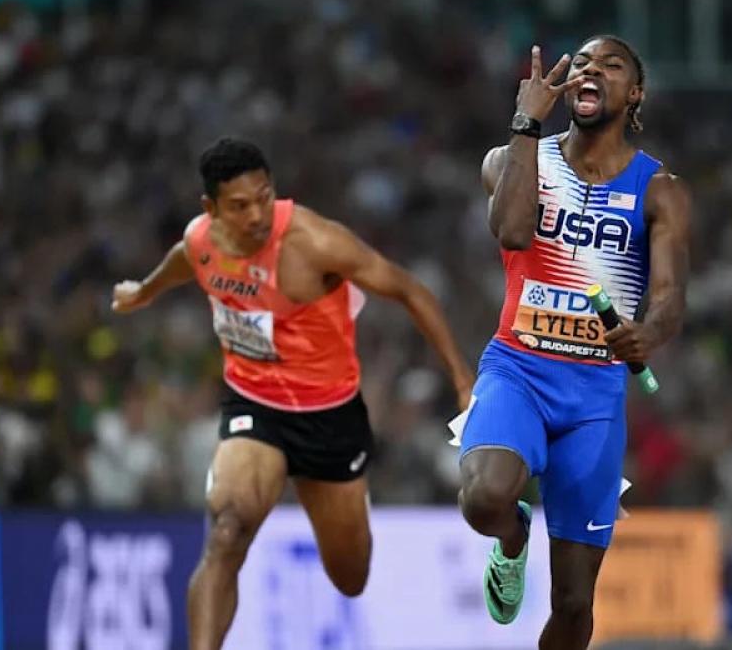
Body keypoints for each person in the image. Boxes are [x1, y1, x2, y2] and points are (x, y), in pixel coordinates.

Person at [111, 137, 474, 650]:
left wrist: (462, 379)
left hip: (330, 418)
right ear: (210, 209)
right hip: (254, 407)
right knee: (226, 532)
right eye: (240, 205)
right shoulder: (201, 241)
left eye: (265, 196)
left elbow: (409, 290)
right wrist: (142, 291)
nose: (257, 214)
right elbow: (182, 260)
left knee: (351, 576)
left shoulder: (313, 241)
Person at [454, 35, 691, 648]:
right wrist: (526, 122)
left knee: (576, 604)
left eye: (611, 66)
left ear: (634, 93)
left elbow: (669, 300)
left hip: (594, 392)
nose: (592, 70)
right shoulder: (512, 158)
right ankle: (512, 539)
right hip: (519, 369)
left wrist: (648, 333)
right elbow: (510, 233)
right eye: (582, 62)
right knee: (484, 498)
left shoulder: (660, 188)